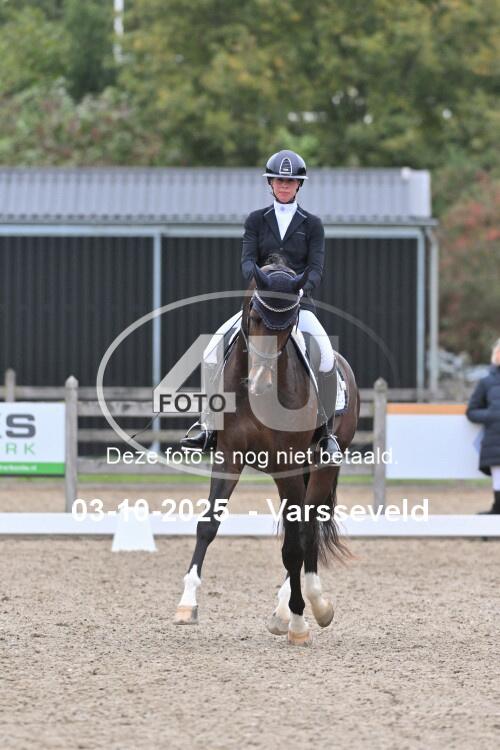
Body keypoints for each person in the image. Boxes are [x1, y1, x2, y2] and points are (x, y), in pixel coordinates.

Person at [181, 149, 340, 462]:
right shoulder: (256, 220)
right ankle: (208, 425)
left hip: (297, 306)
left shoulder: (312, 225)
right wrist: (266, 282)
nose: (284, 185)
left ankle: (326, 433)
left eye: (290, 181)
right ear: (271, 183)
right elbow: (247, 263)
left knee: (325, 357)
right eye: (279, 180)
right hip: (260, 306)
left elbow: (316, 270)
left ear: (299, 185)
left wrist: (297, 289)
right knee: (211, 350)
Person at [466, 338, 500, 514]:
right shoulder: (486, 382)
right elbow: (472, 411)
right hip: (495, 440)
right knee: (498, 478)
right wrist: (492, 415)